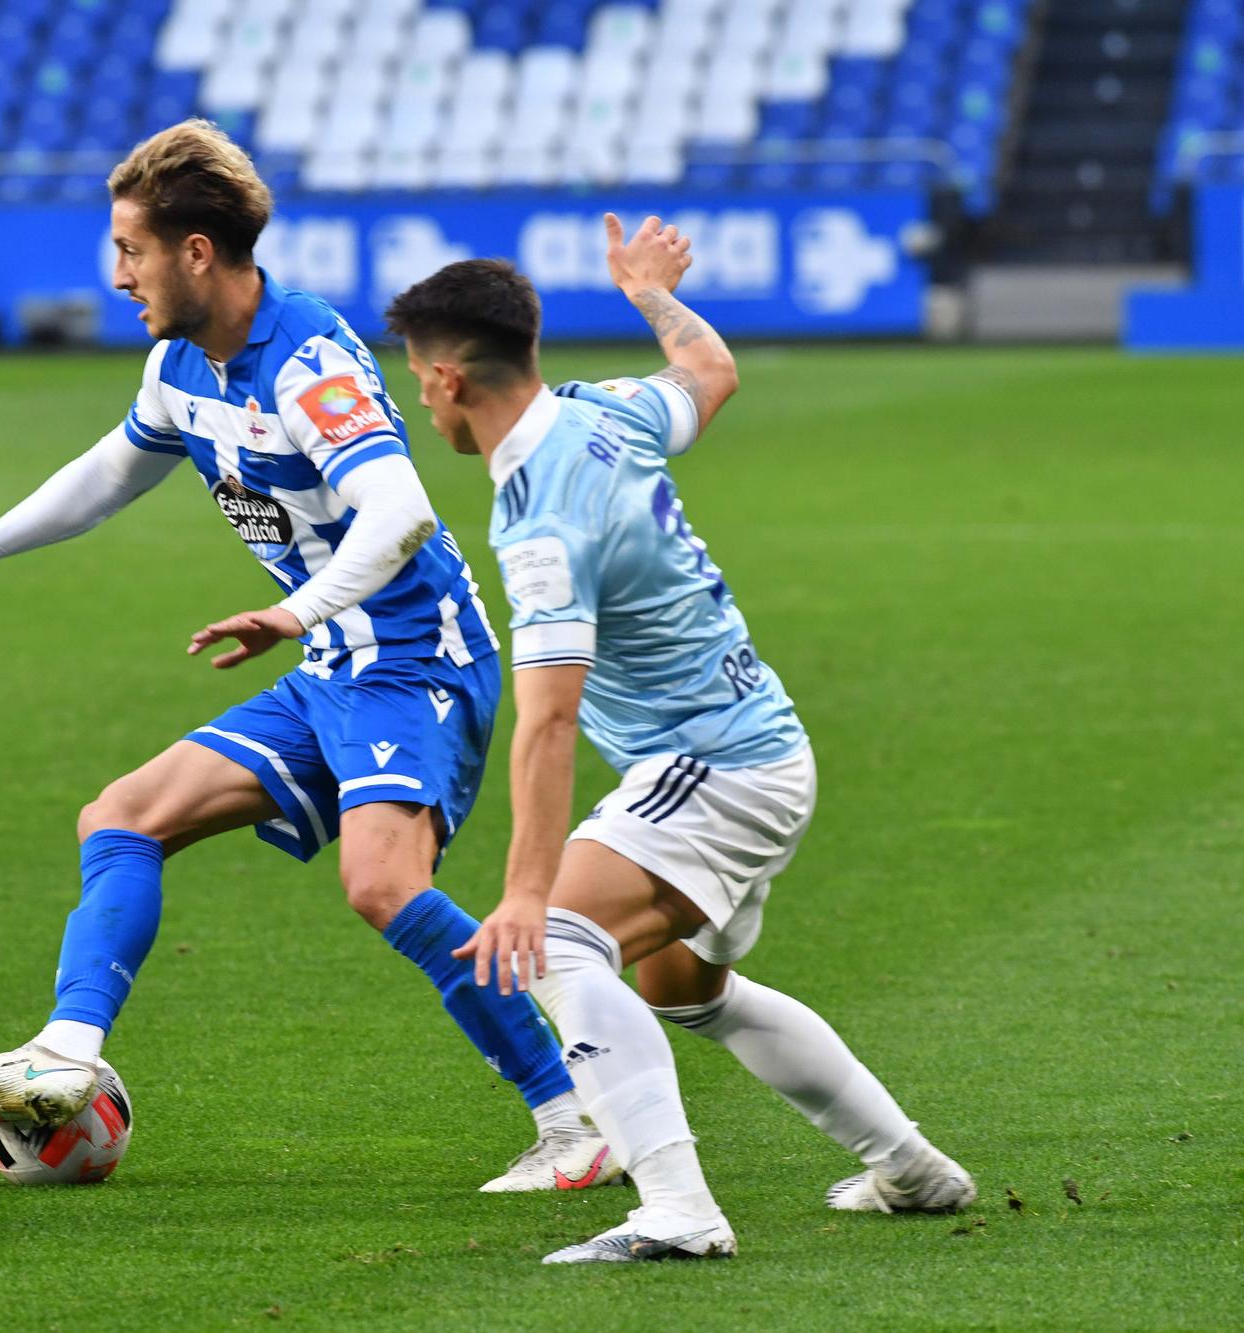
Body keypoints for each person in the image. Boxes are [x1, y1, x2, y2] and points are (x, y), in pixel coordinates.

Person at [0, 121, 605, 1192]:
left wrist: (294, 609)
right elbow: (111, 471)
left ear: (195, 254)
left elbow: (398, 510)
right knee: (122, 815)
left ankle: (577, 1112)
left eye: (130, 249)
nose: (116, 272)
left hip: (414, 658)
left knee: (380, 885)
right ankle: (67, 1055)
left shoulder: (306, 359)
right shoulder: (179, 364)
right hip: (331, 661)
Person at [383, 219, 975, 1263]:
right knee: (684, 990)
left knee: (558, 943)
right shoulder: (604, 410)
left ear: (443, 378)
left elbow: (549, 717)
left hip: (710, 769)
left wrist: (525, 891)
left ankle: (676, 1209)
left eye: (413, 381)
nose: (415, 400)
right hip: (759, 745)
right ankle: (911, 1169)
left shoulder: (538, 524)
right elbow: (706, 369)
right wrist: (651, 297)